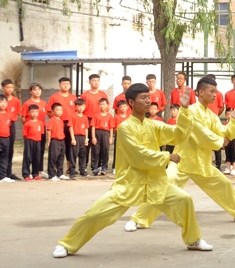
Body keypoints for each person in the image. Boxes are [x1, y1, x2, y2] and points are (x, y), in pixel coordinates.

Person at [52, 85, 212, 258]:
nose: (148, 100)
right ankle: (67, 244)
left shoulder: (153, 125)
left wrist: (185, 110)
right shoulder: (125, 128)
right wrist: (166, 157)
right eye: (143, 98)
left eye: (148, 97)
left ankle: (193, 240)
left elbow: (179, 134)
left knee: (184, 200)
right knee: (95, 214)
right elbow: (138, 155)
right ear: (130, 102)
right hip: (129, 183)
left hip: (154, 182)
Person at [126, 76, 235, 230]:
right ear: (200, 92)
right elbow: (200, 134)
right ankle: (138, 219)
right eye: (212, 91)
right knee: (163, 186)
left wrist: (233, 121)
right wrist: (221, 141)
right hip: (182, 161)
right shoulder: (190, 111)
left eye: (216, 92)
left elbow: (225, 131)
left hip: (202, 163)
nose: (215, 95)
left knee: (224, 184)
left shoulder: (211, 115)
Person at [47, 77, 77, 172]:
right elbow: (49, 111)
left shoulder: (73, 97)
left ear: (70, 85)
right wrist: (56, 121)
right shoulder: (54, 97)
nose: (65, 85)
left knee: (70, 146)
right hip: (59, 123)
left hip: (70, 124)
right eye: (63, 84)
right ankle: (54, 168)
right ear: (59, 85)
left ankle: (69, 168)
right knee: (56, 147)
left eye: (67, 84)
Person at [80, 74, 108, 170]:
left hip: (99, 122)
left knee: (98, 145)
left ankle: (98, 166)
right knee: (86, 144)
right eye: (94, 80)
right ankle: (84, 166)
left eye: (97, 80)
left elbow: (106, 109)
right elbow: (80, 109)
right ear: (89, 82)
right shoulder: (85, 95)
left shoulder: (103, 95)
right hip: (88, 120)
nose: (96, 82)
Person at [21, 83, 46, 175]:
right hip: (31, 131)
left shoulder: (43, 102)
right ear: (30, 91)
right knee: (29, 153)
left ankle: (39, 170)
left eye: (39, 90)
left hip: (41, 128)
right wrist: (30, 126)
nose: (37, 91)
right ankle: (27, 172)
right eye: (35, 90)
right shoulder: (27, 103)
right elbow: (23, 117)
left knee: (41, 150)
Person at [1, 79, 20, 179]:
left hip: (10, 124)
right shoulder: (1, 99)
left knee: (9, 148)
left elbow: (16, 114)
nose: (10, 89)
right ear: (3, 88)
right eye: (7, 87)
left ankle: (9, 172)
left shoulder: (16, 100)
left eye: (11, 88)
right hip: (1, 125)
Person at [91, 98, 114, 175]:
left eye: (104, 104)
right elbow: (93, 126)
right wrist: (93, 137)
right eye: (100, 104)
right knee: (95, 150)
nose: (102, 106)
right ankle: (95, 167)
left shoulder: (110, 116)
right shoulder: (96, 115)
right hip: (97, 133)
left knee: (105, 150)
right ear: (98, 105)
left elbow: (111, 128)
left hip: (105, 133)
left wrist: (110, 137)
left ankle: (104, 167)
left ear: (107, 105)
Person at [68, 99, 90, 179]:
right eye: (79, 106)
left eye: (83, 106)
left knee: (83, 155)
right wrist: (73, 139)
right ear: (76, 107)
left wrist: (86, 139)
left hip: (83, 137)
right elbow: (71, 127)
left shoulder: (85, 117)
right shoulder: (73, 116)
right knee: (74, 155)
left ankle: (82, 170)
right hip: (76, 137)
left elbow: (86, 128)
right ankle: (72, 171)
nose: (81, 108)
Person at [22, 105, 44, 180]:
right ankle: (26, 174)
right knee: (28, 157)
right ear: (29, 113)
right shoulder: (27, 123)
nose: (34, 114)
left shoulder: (40, 123)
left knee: (37, 157)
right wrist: (27, 142)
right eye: (32, 112)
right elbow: (25, 135)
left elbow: (41, 133)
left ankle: (35, 173)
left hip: (37, 141)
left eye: (36, 112)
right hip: (29, 141)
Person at [46, 103, 68, 181]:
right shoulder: (52, 120)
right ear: (53, 111)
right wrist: (48, 141)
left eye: (61, 110)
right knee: (53, 157)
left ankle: (60, 173)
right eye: (57, 110)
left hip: (62, 140)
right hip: (54, 140)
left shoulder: (61, 121)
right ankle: (51, 174)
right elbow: (49, 131)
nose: (59, 112)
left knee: (61, 157)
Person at [113, 100, 130, 172]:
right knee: (117, 151)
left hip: (128, 135)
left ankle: (128, 166)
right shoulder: (116, 117)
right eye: (121, 107)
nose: (123, 108)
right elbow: (115, 127)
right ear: (118, 108)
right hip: (119, 135)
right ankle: (115, 167)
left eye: (124, 106)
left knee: (128, 151)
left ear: (127, 107)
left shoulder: (130, 117)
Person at [223, 107, 235, 175]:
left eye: (230, 114)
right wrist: (223, 144)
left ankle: (234, 169)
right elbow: (223, 134)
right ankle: (228, 168)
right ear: (225, 115)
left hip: (234, 140)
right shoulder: (224, 124)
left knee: (234, 155)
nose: (229, 116)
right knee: (228, 155)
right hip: (227, 141)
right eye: (227, 114)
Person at [0, 96, 13, 182]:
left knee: (4, 157)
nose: (3, 104)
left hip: (6, 138)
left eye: (5, 102)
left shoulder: (8, 114)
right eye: (1, 102)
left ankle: (2, 175)